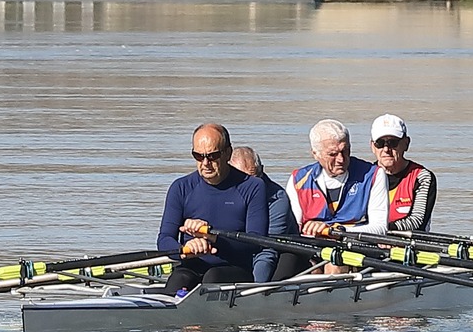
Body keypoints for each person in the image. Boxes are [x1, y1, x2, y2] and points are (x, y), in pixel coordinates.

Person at [158, 123, 277, 293]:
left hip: (234, 270)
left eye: (212, 156)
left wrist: (211, 237)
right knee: (179, 279)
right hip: (191, 267)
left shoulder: (252, 187)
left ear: (228, 153)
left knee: (212, 278)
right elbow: (164, 239)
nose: (205, 163)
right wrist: (186, 249)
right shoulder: (180, 188)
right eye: (198, 156)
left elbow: (256, 242)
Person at [274, 119, 375, 278]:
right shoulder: (298, 179)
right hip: (314, 248)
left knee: (334, 262)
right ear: (315, 154)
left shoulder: (373, 174)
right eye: (332, 154)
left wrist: (335, 231)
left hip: (355, 247)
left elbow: (380, 228)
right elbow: (294, 231)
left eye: (345, 150)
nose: (341, 159)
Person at [349, 114, 436, 235]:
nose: (386, 149)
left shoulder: (422, 177)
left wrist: (380, 228)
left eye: (392, 143)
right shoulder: (364, 176)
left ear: (406, 144)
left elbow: (417, 221)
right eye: (380, 143)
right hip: (370, 240)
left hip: (408, 243)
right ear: (372, 147)